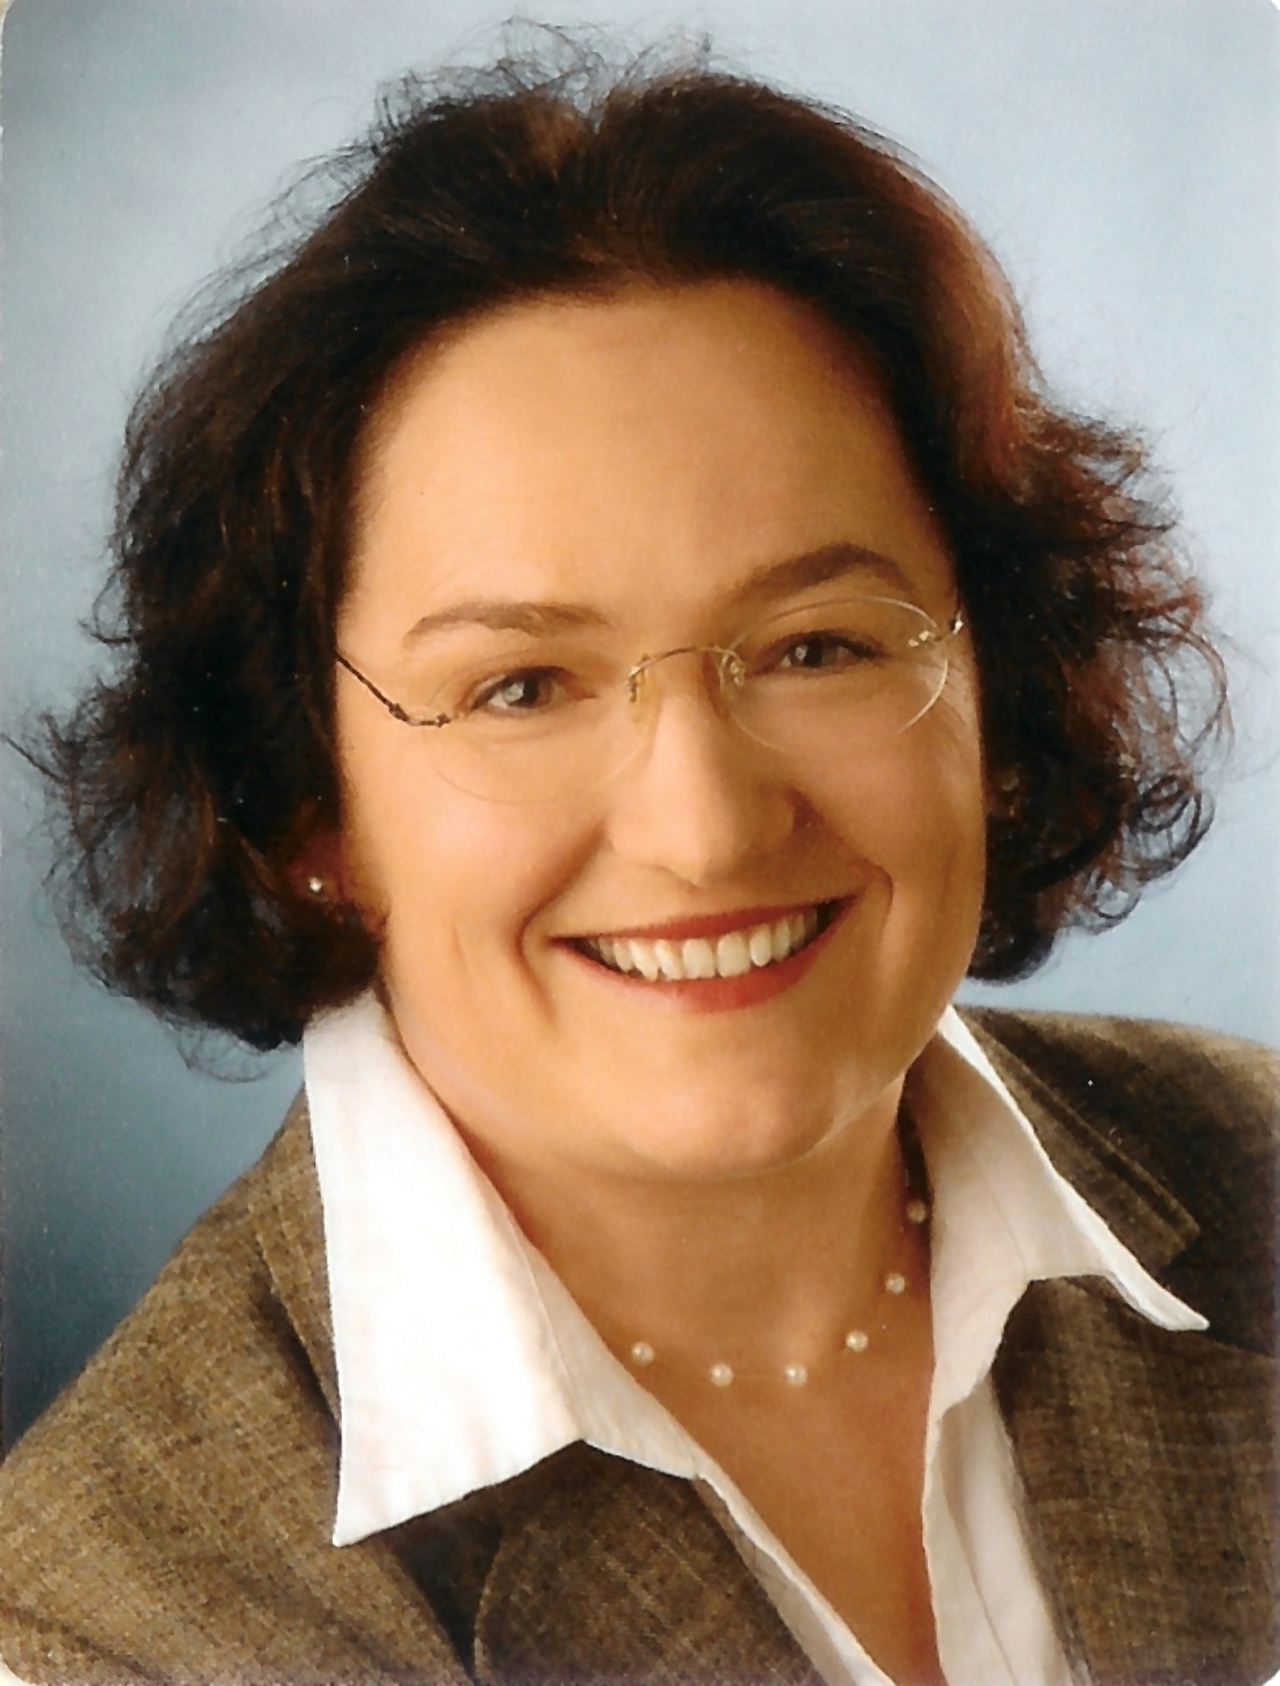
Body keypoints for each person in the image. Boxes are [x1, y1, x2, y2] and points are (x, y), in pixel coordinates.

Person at [0, 45, 1274, 1686]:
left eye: (818, 645)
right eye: (521, 686)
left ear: (998, 680)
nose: (706, 826)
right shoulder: (107, 1630)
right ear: (307, 798)